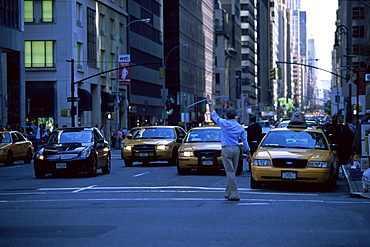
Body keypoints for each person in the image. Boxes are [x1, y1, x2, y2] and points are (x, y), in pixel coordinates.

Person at [206, 94, 251, 201]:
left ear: (227, 115)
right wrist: (248, 154)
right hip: (236, 149)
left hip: (227, 149)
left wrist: (210, 104)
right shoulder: (240, 127)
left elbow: (214, 114)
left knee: (230, 172)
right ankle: (228, 193)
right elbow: (245, 141)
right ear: (235, 116)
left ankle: (235, 194)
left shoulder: (224, 123)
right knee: (232, 172)